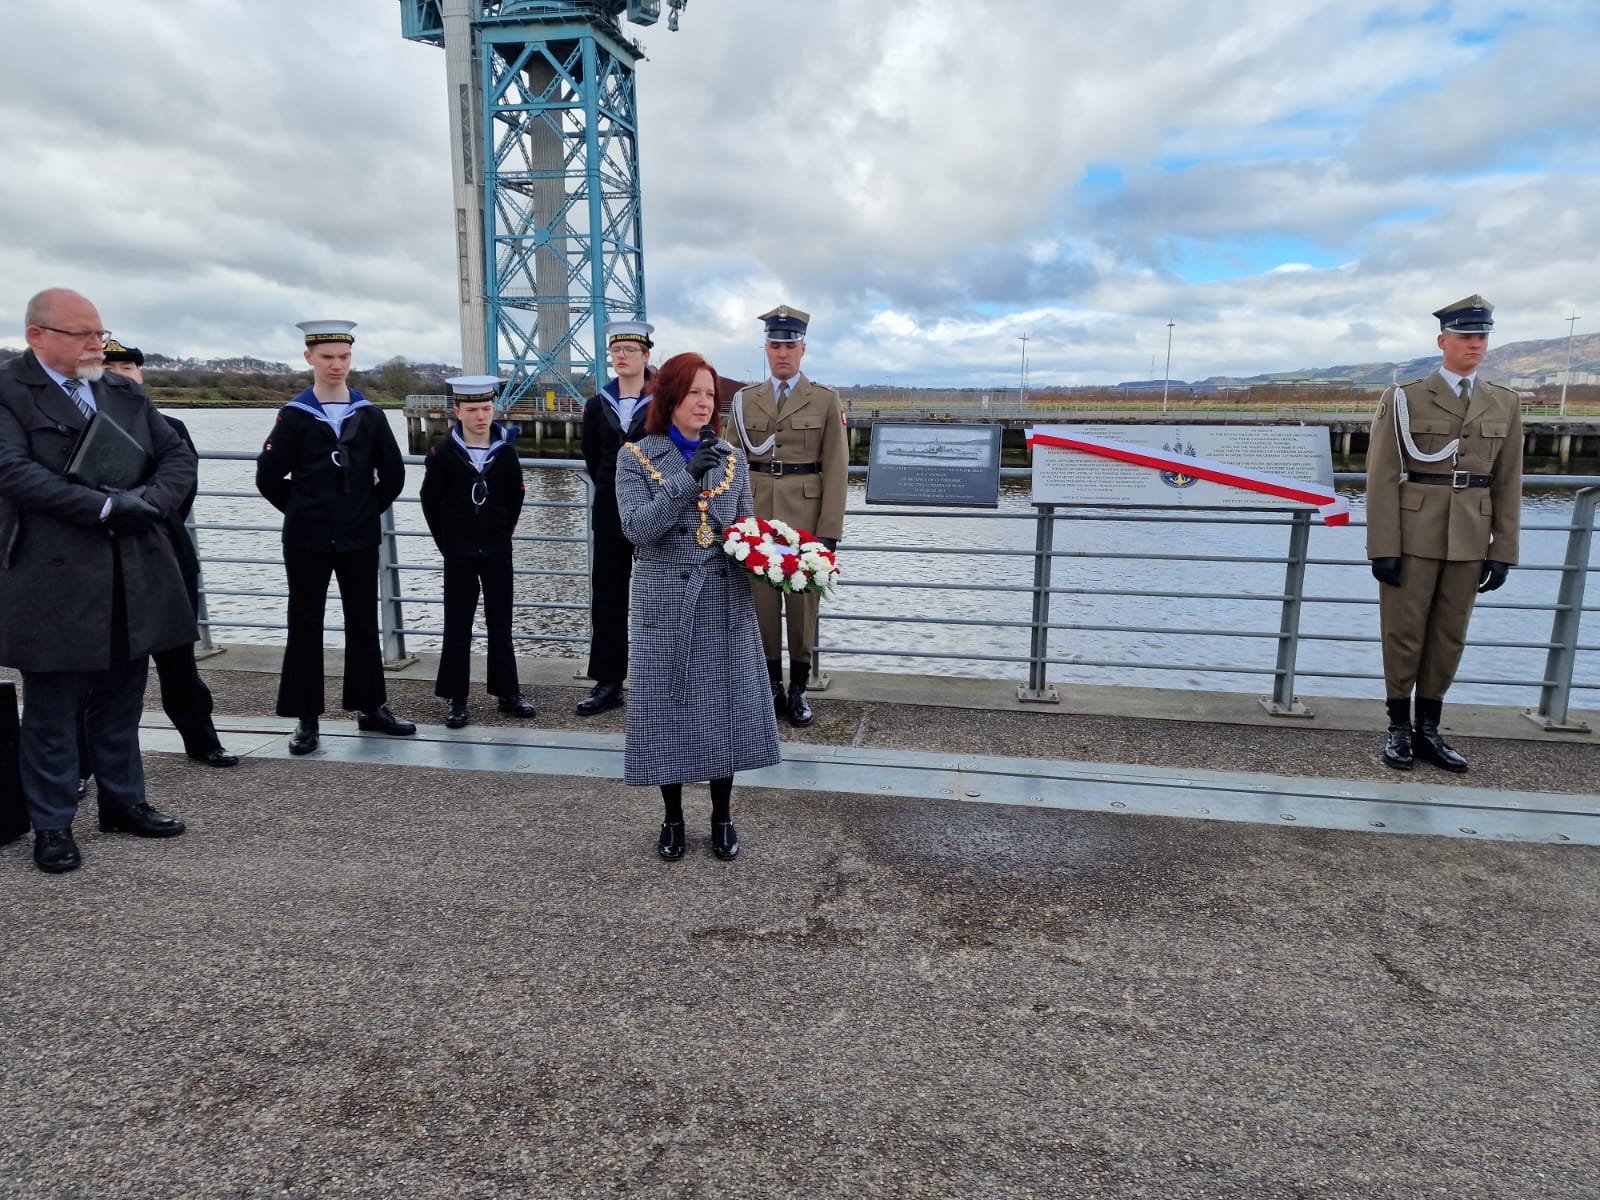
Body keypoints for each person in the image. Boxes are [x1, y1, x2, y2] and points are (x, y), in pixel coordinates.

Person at [0, 288, 195, 873]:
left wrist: (150, 503)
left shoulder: (122, 391)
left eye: (100, 333)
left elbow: (177, 457)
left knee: (122, 697)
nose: (97, 345)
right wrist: (104, 508)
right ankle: (52, 825)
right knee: (52, 710)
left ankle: (123, 802)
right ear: (38, 336)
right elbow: (12, 471)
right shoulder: (8, 390)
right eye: (83, 334)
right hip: (52, 574)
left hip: (130, 568)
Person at [615, 351, 780, 860]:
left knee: (721, 708)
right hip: (665, 598)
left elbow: (745, 527)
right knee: (668, 708)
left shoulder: (731, 458)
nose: (705, 402)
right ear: (670, 398)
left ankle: (722, 816)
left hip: (722, 596)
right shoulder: (635, 456)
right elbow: (637, 529)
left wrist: (779, 558)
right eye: (693, 393)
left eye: (710, 394)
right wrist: (687, 477)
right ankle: (672, 818)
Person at [1366, 294, 1522, 773]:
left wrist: (1503, 550)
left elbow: (1508, 481)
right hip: (1414, 533)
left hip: (1471, 536)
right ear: (1443, 342)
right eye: (1466, 336)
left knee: (1450, 635)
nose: (1475, 344)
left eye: (1482, 337)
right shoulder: (1405, 398)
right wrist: (1383, 547)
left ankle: (1429, 730)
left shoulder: (1504, 402)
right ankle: (1398, 727)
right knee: (1404, 631)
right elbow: (1381, 476)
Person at [255, 320, 414, 755]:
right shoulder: (294, 416)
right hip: (306, 539)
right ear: (309, 358)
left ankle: (371, 707)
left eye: (343, 357)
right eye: (327, 357)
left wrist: (361, 512)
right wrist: (304, 511)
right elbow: (268, 477)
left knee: (362, 622)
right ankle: (306, 718)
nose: (336, 365)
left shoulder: (369, 414)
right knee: (305, 624)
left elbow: (394, 475)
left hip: (358, 537)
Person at [99, 339, 239, 768]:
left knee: (179, 661)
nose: (121, 377)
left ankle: (202, 741)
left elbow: (183, 490)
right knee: (101, 671)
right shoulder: (83, 431)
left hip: (165, 555)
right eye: (110, 370)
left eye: (128, 368)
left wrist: (138, 509)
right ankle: (86, 762)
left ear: (140, 374)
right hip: (105, 560)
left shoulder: (171, 428)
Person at [725, 305, 848, 726]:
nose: (782, 353)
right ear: (766, 348)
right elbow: (730, 464)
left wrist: (829, 533)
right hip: (755, 513)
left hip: (805, 518)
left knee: (802, 605)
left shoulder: (825, 399)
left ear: (803, 349)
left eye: (789, 346)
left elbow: (836, 468)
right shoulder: (745, 400)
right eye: (775, 346)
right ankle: (769, 687)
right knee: (759, 604)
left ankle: (798, 689)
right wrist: (730, 525)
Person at [419, 374, 535, 728]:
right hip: (459, 550)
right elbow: (430, 500)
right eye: (472, 410)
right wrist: (446, 542)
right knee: (457, 622)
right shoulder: (442, 453)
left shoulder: (505, 452)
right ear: (458, 411)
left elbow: (516, 495)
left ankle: (507, 692)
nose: (481, 416)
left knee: (501, 620)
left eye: (486, 408)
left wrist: (502, 531)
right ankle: (456, 697)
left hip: (497, 548)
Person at [576, 319, 654, 716]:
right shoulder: (597, 404)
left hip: (656, 511)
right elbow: (592, 455)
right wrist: (614, 490)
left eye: (630, 350)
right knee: (607, 597)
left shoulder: (662, 402)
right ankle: (608, 682)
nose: (621, 356)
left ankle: (661, 677)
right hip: (609, 512)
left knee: (659, 595)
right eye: (616, 350)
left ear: (646, 356)